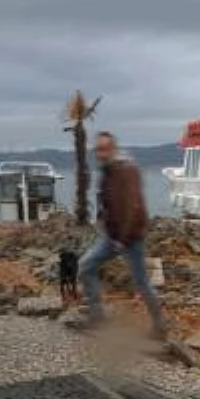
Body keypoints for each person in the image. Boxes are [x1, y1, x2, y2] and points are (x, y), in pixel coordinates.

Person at [71, 131, 168, 339]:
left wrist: (123, 239)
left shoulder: (127, 170)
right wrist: (103, 222)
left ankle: (160, 326)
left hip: (130, 237)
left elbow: (133, 206)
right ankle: (97, 317)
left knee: (141, 282)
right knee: (86, 265)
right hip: (111, 236)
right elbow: (106, 202)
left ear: (113, 149)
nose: (101, 153)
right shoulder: (107, 172)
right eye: (98, 149)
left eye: (105, 149)